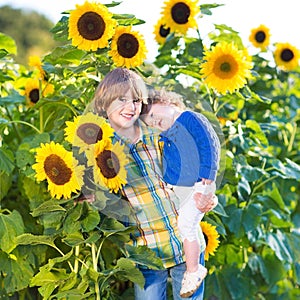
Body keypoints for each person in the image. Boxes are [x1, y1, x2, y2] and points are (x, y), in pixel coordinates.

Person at [91, 67, 217, 300]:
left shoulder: (157, 131)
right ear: (104, 101)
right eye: (122, 100)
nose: (131, 107)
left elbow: (191, 160)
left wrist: (206, 191)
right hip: (147, 250)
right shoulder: (103, 149)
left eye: (137, 101)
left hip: (184, 243)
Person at [141, 88, 220, 298]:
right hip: (185, 190)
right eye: (149, 123)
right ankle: (193, 269)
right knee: (186, 223)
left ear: (168, 102)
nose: (154, 123)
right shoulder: (166, 134)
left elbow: (209, 143)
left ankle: (193, 271)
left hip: (199, 184)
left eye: (153, 115)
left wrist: (208, 178)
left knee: (187, 224)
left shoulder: (188, 118)